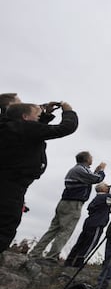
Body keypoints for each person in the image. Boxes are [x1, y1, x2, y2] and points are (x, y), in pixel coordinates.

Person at [0, 102, 78, 253]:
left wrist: (45, 114)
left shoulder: (9, 128)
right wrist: (69, 111)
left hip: (7, 182)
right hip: (12, 187)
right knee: (4, 229)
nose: (39, 117)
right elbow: (65, 128)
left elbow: (31, 131)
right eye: (37, 115)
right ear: (25, 117)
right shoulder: (24, 128)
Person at [31, 151, 107, 260]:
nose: (92, 159)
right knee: (66, 230)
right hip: (73, 204)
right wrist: (102, 170)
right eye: (91, 157)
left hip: (65, 202)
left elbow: (89, 178)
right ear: (86, 159)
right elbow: (96, 179)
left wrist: (96, 171)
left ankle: (35, 253)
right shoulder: (80, 169)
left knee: (53, 229)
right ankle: (52, 257)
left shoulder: (77, 169)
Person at [64, 181, 111, 268]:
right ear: (102, 189)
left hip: (89, 222)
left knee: (81, 242)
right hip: (97, 223)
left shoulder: (97, 198)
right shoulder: (106, 197)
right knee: (91, 243)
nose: (108, 187)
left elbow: (92, 208)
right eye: (106, 186)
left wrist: (108, 211)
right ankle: (78, 263)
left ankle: (69, 261)